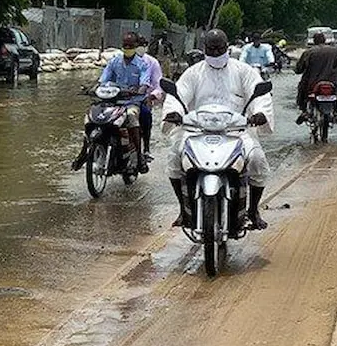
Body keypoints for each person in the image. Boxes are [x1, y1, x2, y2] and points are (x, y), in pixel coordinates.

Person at [162, 29, 274, 230]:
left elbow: (259, 95)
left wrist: (259, 114)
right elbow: (178, 95)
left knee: (257, 160)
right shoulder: (193, 73)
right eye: (211, 49)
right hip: (197, 130)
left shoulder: (244, 71)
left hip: (237, 130)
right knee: (173, 158)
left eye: (219, 49)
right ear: (204, 49)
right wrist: (174, 112)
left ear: (227, 48)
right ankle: (183, 210)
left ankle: (253, 210)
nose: (215, 53)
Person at [96, 32, 153, 173]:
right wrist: (95, 87)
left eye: (130, 46)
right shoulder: (114, 61)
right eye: (125, 46)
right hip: (113, 101)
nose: (127, 48)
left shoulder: (142, 65)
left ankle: (139, 157)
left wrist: (141, 89)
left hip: (132, 102)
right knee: (96, 116)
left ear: (136, 46)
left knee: (132, 116)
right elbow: (103, 79)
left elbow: (145, 83)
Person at [294, 32, 337, 122]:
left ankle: (304, 111)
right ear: (325, 40)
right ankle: (335, 111)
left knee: (301, 89)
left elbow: (299, 69)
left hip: (312, 83)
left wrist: (297, 70)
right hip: (332, 81)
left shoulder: (308, 52)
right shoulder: (334, 51)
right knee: (335, 93)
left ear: (314, 41)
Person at [136, 34, 165, 158]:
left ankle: (146, 148)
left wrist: (151, 97)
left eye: (141, 45)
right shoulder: (118, 60)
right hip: (121, 99)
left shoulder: (151, 63)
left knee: (146, 114)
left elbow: (158, 85)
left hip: (143, 99)